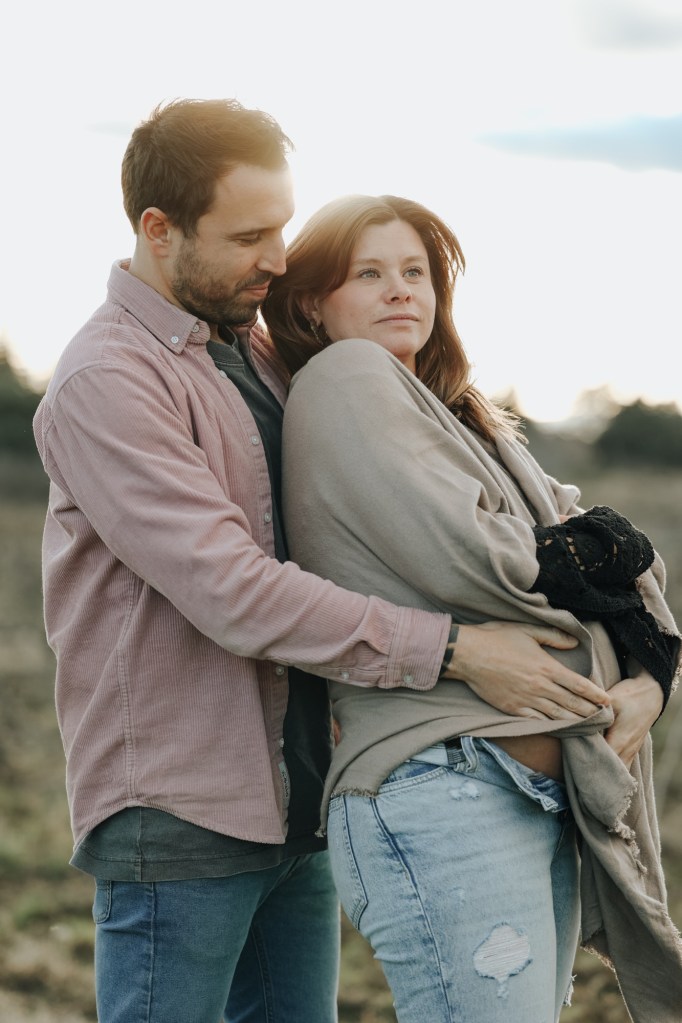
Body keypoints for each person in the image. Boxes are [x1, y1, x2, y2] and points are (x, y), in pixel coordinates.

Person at [31, 101, 609, 1023]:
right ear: (158, 229)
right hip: (183, 812)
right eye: (248, 237)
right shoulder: (110, 379)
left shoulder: (262, 356)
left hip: (297, 799)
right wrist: (456, 650)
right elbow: (232, 589)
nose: (277, 257)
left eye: (283, 228)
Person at [261, 193, 682, 1023]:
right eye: (369, 274)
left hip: (520, 794)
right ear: (312, 302)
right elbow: (485, 559)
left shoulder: (462, 420)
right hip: (444, 790)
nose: (399, 289)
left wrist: (650, 675)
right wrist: (608, 557)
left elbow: (621, 561)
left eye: (414, 272)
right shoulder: (346, 378)